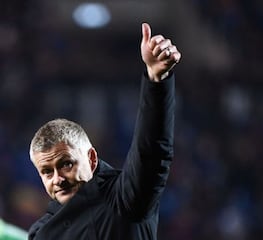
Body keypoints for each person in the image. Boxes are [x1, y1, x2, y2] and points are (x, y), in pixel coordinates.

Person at [27, 23, 181, 239]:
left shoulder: (125, 200)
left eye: (66, 164)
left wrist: (157, 81)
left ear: (91, 158)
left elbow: (152, 153)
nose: (58, 178)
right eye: (46, 172)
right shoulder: (42, 233)